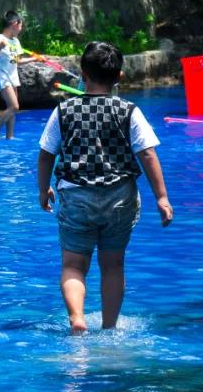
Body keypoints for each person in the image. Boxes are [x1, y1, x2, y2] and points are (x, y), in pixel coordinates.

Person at [37, 41, 173, 335]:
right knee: (112, 265)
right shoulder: (129, 111)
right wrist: (161, 197)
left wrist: (43, 188)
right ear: (119, 76)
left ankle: (77, 319)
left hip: (76, 194)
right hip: (119, 196)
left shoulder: (64, 110)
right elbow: (147, 154)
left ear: (82, 74)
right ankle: (109, 327)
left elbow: (46, 154)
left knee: (73, 265)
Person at [0, 10, 37, 139]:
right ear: (14, 24)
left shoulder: (16, 41)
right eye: (20, 26)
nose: (21, 29)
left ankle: (10, 137)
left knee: (11, 107)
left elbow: (17, 61)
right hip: (2, 75)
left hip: (13, 75)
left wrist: (35, 59)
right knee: (15, 106)